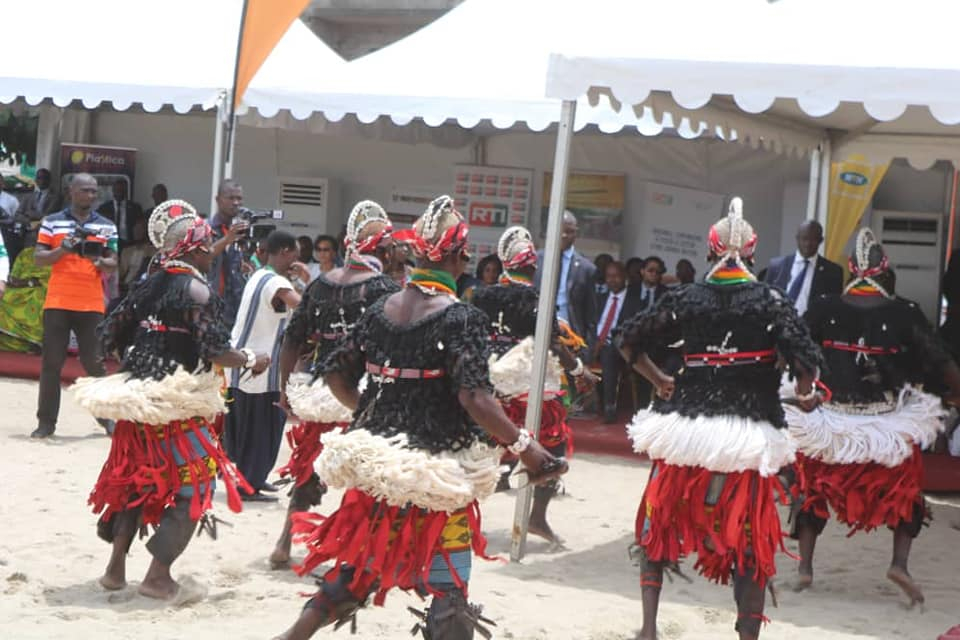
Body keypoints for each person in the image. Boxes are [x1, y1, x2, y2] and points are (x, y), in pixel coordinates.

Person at [273, 196, 567, 640]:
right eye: (465, 254)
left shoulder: (381, 310)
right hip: (437, 474)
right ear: (456, 256)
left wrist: (373, 418)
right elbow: (474, 397)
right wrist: (527, 449)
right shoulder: (461, 317)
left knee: (358, 569)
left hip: (379, 465)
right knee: (449, 592)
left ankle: (294, 634)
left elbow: (334, 373)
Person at [617, 198, 821, 640]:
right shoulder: (771, 300)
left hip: (685, 434)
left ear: (710, 252)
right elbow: (805, 358)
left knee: (657, 525)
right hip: (747, 439)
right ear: (753, 254)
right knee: (751, 544)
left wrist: (660, 380)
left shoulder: (686, 297)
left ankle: (648, 628)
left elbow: (626, 341)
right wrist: (805, 394)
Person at [72, 199, 271, 601]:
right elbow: (215, 350)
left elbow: (110, 334)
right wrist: (252, 359)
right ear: (194, 249)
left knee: (135, 480)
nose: (211, 253)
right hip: (176, 406)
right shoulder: (196, 290)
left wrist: (143, 359)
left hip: (138, 400)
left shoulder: (148, 284)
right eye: (207, 246)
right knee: (196, 483)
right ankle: (157, 576)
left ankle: (115, 570)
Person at [784, 228, 960, 606]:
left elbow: (797, 350)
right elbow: (940, 361)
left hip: (831, 424)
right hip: (886, 426)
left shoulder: (825, 306)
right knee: (906, 491)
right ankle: (899, 564)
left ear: (851, 270)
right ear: (885, 271)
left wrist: (804, 389)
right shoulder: (904, 311)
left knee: (811, 489)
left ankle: (805, 567)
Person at [269, 201, 401, 569]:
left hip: (321, 392)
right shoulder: (385, 289)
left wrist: (285, 389)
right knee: (366, 473)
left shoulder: (321, 285)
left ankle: (284, 542)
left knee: (309, 467)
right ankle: (354, 552)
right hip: (363, 396)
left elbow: (292, 340)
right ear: (383, 250)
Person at [472, 226, 597, 545]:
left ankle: (462, 518)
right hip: (530, 390)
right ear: (531, 266)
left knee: (476, 450)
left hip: (487, 387)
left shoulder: (482, 295)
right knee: (553, 445)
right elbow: (553, 344)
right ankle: (537, 518)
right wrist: (579, 370)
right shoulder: (535, 300)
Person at [31, 173, 118, 439]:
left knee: (94, 363)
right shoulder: (52, 222)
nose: (91, 195)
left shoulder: (106, 226)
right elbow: (39, 258)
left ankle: (106, 418)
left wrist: (99, 262)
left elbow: (113, 261)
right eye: (85, 190)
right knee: (52, 363)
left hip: (91, 303)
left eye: (94, 191)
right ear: (71, 191)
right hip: (58, 301)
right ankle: (46, 423)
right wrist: (63, 250)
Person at [224, 230, 307, 502]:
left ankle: (252, 478)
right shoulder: (277, 282)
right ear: (285, 252)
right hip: (260, 367)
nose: (297, 261)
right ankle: (249, 484)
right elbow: (303, 308)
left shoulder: (258, 274)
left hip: (244, 363)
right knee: (263, 428)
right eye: (295, 255)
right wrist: (306, 281)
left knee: (250, 426)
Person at [534, 210, 597, 348]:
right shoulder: (536, 260)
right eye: (559, 230)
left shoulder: (586, 269)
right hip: (536, 334)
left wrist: (587, 352)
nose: (563, 235)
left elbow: (591, 316)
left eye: (569, 231)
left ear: (576, 233)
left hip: (570, 339)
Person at [592, 260, 642, 423]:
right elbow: (591, 323)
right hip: (594, 342)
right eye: (609, 276)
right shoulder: (599, 298)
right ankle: (577, 402)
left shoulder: (635, 301)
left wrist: (607, 340)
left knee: (609, 353)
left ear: (624, 277)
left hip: (618, 345)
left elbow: (634, 329)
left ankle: (609, 407)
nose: (612, 280)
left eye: (616, 276)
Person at [763, 220, 843, 317]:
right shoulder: (777, 266)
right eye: (804, 239)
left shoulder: (833, 272)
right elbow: (765, 298)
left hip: (811, 324)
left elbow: (833, 308)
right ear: (797, 238)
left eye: (813, 240)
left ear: (821, 240)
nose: (808, 244)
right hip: (779, 322)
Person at [207, 180, 250, 327]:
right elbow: (204, 255)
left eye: (239, 198)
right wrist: (227, 239)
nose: (236, 203)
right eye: (231, 198)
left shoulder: (243, 232)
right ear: (218, 200)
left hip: (236, 308)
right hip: (211, 306)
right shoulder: (206, 228)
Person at [15, 168, 62, 246]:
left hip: (45, 236)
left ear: (49, 180)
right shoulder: (28, 196)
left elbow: (48, 215)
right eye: (39, 178)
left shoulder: (56, 197)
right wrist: (29, 222)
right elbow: (17, 215)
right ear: (35, 180)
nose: (41, 181)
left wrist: (30, 213)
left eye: (44, 178)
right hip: (27, 236)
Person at [97, 180, 143, 251]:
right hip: (110, 243)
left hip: (129, 244)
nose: (119, 192)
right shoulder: (104, 208)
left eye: (121, 190)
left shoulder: (135, 208)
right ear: (113, 191)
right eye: (117, 190)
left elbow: (139, 228)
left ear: (125, 191)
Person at [117, 219, 155, 296]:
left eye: (140, 229)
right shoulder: (127, 251)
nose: (137, 232)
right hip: (125, 288)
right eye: (135, 230)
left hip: (143, 287)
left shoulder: (152, 251)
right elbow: (120, 273)